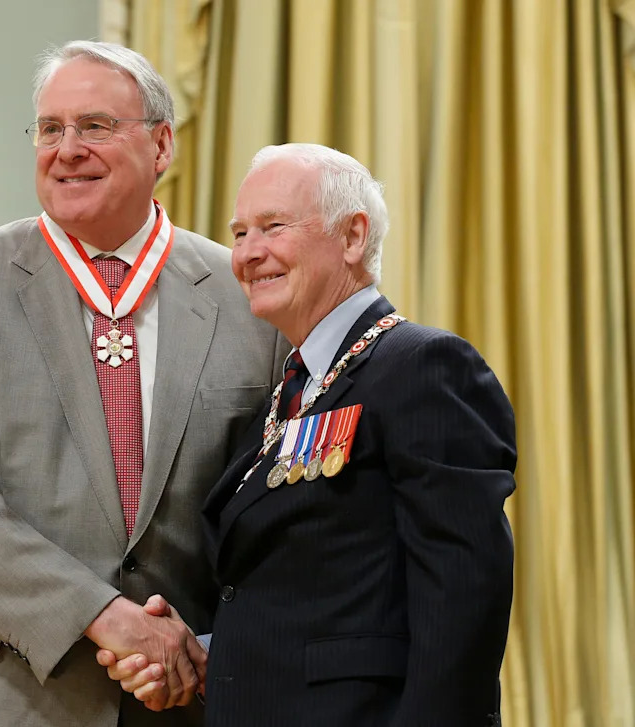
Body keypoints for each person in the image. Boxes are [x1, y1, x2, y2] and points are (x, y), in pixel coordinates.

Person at [0, 41, 287, 727]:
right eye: (50, 129)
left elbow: (278, 511)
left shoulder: (247, 293)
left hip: (193, 694)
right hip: (10, 696)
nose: (66, 148)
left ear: (162, 145)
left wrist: (211, 649)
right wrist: (103, 614)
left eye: (95, 126)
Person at [100, 143, 516, 727]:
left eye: (272, 227)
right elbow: (309, 598)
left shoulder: (422, 366)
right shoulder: (291, 389)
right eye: (239, 233)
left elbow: (464, 596)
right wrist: (203, 655)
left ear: (352, 237)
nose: (247, 253)